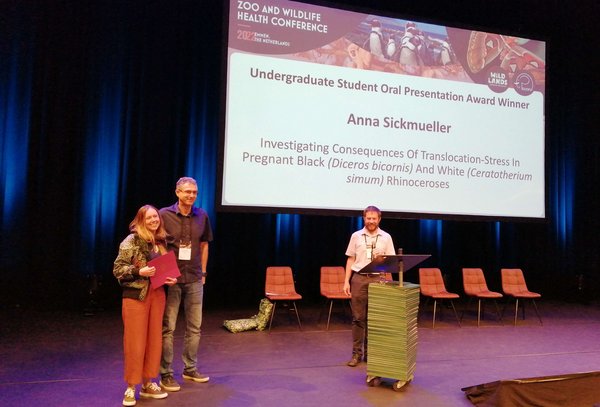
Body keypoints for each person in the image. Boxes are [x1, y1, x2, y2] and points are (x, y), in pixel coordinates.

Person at [113, 205, 178, 406]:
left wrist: (170, 279)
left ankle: (149, 382)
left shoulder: (159, 242)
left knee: (154, 340)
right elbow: (118, 269)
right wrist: (138, 272)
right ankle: (131, 386)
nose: (153, 221)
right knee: (135, 342)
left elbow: (164, 268)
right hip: (136, 297)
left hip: (157, 295)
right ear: (141, 220)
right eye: (149, 218)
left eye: (156, 217)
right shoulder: (131, 240)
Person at [159, 177, 213, 392]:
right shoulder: (164, 215)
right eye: (187, 192)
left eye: (195, 192)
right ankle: (166, 374)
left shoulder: (202, 215)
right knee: (168, 328)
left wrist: (204, 272)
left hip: (194, 277)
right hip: (172, 279)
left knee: (195, 327)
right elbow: (157, 243)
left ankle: (190, 369)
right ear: (177, 192)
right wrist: (165, 271)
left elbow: (204, 244)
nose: (191, 195)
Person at [343, 205, 395, 367]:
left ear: (379, 219)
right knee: (358, 318)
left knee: (374, 319)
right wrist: (346, 281)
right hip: (359, 279)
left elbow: (391, 262)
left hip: (378, 279)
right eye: (368, 218)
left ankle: (370, 354)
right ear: (364, 219)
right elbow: (350, 259)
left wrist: (391, 283)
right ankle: (356, 354)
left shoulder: (386, 237)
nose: (371, 221)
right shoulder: (356, 236)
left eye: (374, 218)